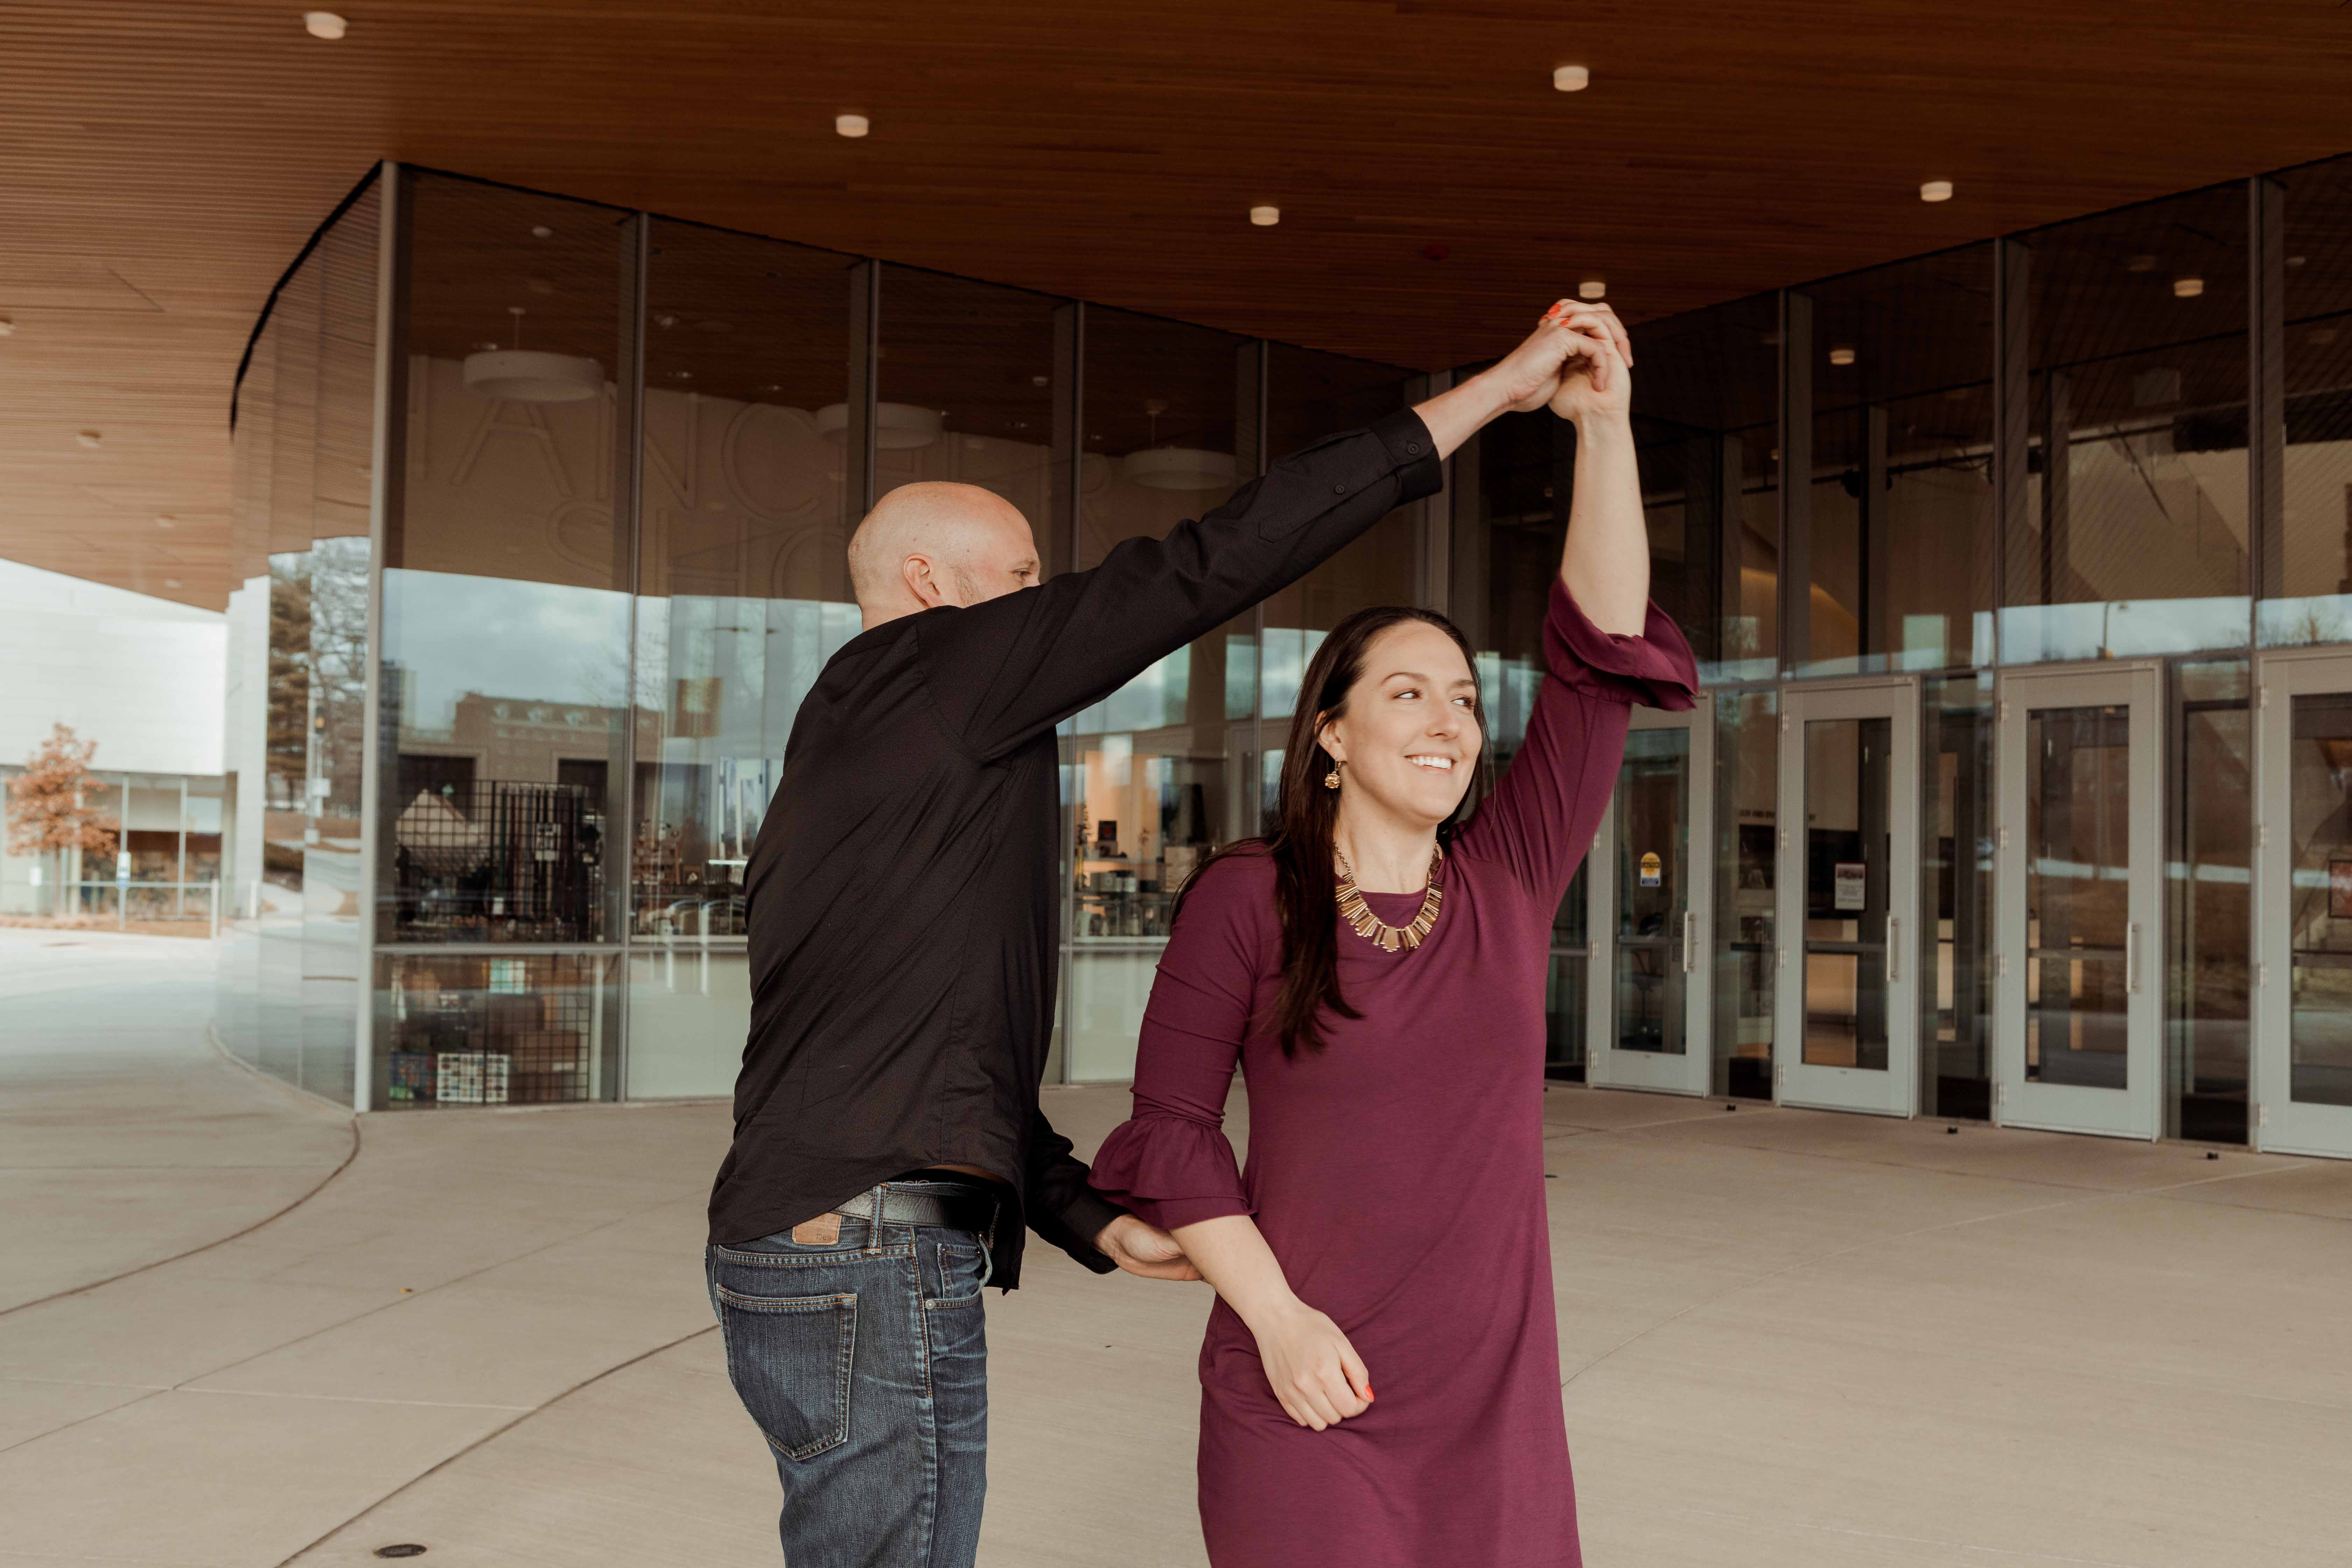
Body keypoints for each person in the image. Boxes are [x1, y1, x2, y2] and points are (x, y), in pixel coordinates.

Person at [705, 302, 1620, 1566]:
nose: (1049, 608)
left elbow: (918, 1044)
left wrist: (1081, 1212)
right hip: (862, 1254)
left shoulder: (870, 759)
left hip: (829, 1244)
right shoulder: (938, 673)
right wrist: (1493, 396)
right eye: (1024, 579)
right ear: (932, 590)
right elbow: (1211, 562)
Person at [1088, 299, 1697, 1567]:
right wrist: (1280, 1321)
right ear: (1331, 735)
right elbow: (1177, 1132)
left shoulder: (1511, 877)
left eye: (1465, 699)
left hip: (1494, 1406)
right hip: (1308, 1378)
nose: (1447, 721)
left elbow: (1597, 663)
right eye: (1406, 694)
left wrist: (1602, 430)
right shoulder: (1246, 897)